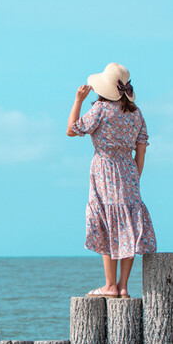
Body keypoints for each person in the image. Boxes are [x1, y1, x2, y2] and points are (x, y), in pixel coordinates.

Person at [66, 62, 157, 298]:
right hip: (129, 171)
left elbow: (72, 129)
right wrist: (134, 177)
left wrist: (78, 100)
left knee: (107, 224)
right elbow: (141, 151)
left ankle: (109, 286)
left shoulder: (101, 110)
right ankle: (123, 286)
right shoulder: (137, 114)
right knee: (127, 225)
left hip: (104, 170)